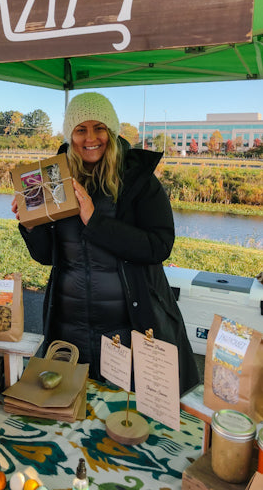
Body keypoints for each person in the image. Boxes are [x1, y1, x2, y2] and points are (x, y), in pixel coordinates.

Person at [12, 92, 199, 395]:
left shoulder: (138, 179)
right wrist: (31, 225)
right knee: (70, 407)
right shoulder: (54, 180)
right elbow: (47, 256)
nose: (90, 138)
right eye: (80, 130)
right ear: (70, 135)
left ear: (111, 132)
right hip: (69, 328)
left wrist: (95, 221)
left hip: (126, 329)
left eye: (99, 128)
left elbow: (159, 246)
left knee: (125, 410)